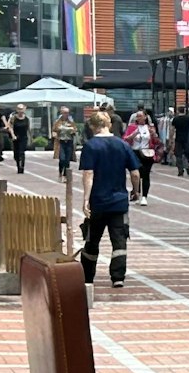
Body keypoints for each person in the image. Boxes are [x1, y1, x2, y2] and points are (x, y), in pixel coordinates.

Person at [76, 110, 141, 290]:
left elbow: (88, 173)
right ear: (109, 125)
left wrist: (85, 199)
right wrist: (136, 191)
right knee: (119, 240)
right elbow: (135, 173)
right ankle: (118, 277)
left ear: (92, 126)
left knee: (92, 239)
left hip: (98, 201)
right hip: (119, 201)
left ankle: (88, 276)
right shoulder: (122, 145)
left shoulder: (91, 146)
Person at [123, 110, 160, 205]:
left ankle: (144, 196)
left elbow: (156, 141)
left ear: (145, 117)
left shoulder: (150, 127)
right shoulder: (132, 127)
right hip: (135, 152)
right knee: (136, 174)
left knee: (146, 174)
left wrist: (154, 135)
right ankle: (136, 192)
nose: (138, 118)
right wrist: (133, 135)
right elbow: (125, 139)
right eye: (137, 116)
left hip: (147, 152)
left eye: (140, 116)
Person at [51, 108, 77, 181]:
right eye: (65, 113)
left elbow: (75, 129)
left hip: (69, 142)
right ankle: (60, 173)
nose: (66, 114)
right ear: (61, 113)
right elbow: (54, 130)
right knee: (62, 159)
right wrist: (55, 134)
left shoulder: (71, 121)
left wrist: (72, 130)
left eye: (67, 113)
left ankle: (66, 175)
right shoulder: (58, 121)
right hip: (61, 142)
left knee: (67, 160)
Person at [171, 106, 189, 177]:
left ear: (178, 111)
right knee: (186, 154)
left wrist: (171, 138)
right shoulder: (188, 119)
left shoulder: (175, 119)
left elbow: (172, 129)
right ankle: (187, 167)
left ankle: (180, 170)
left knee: (178, 155)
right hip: (187, 138)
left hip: (178, 139)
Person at [10, 106, 29, 173]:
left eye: (22, 109)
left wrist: (31, 137)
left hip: (24, 137)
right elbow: (11, 127)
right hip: (16, 137)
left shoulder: (26, 118)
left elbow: (29, 128)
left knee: (22, 152)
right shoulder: (13, 118)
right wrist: (13, 135)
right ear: (17, 110)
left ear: (24, 109)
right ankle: (18, 163)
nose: (20, 111)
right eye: (19, 109)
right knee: (16, 153)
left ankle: (22, 167)